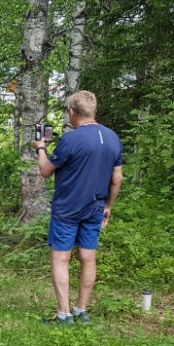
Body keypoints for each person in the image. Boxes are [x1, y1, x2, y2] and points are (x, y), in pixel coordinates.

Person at [32, 90, 123, 324]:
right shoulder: (113, 137)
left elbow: (45, 171)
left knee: (61, 258)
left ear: (72, 112)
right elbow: (117, 178)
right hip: (95, 205)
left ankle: (64, 314)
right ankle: (82, 310)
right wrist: (108, 206)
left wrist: (40, 148)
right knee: (88, 257)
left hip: (68, 208)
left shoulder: (70, 140)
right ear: (94, 110)